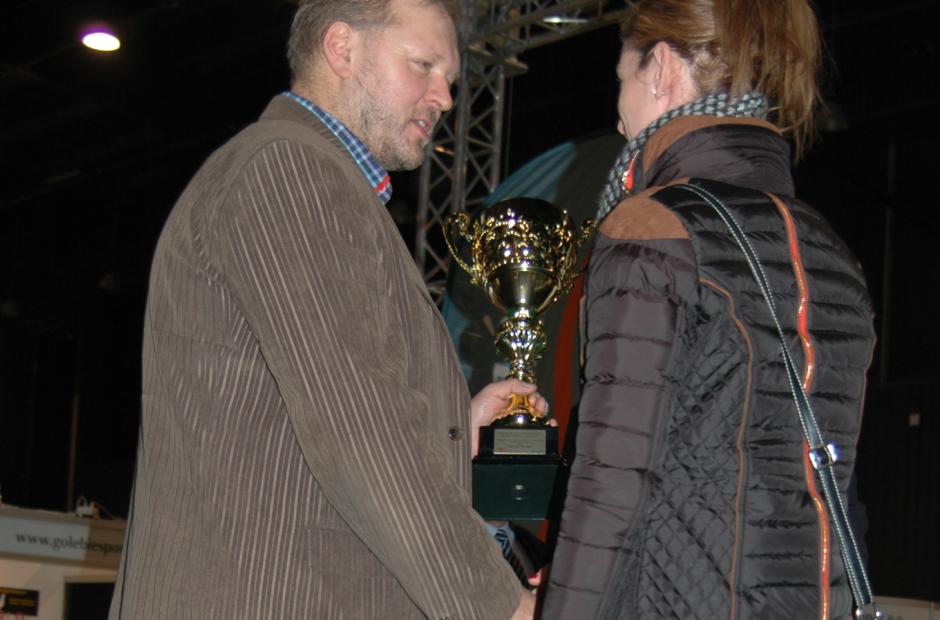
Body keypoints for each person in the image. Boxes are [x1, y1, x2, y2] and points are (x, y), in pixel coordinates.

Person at [108, 0, 543, 618]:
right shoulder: (292, 172)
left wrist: (452, 428)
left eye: (448, 78)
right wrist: (502, 606)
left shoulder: (295, 173)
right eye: (423, 65)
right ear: (342, 48)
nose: (444, 97)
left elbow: (300, 420)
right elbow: (366, 436)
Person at [541, 1, 876, 618]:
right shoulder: (831, 252)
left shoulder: (654, 228)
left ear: (662, 68)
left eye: (621, 78)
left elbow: (609, 481)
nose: (618, 115)